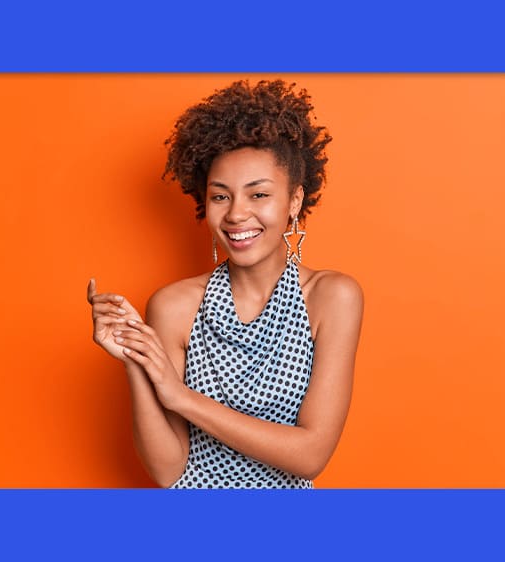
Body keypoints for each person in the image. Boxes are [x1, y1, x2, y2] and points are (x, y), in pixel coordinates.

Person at [87, 79, 363, 488]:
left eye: (258, 195)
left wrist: (180, 397)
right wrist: (137, 360)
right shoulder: (173, 306)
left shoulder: (332, 297)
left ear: (294, 201)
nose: (236, 214)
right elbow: (168, 471)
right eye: (220, 197)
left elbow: (310, 455)